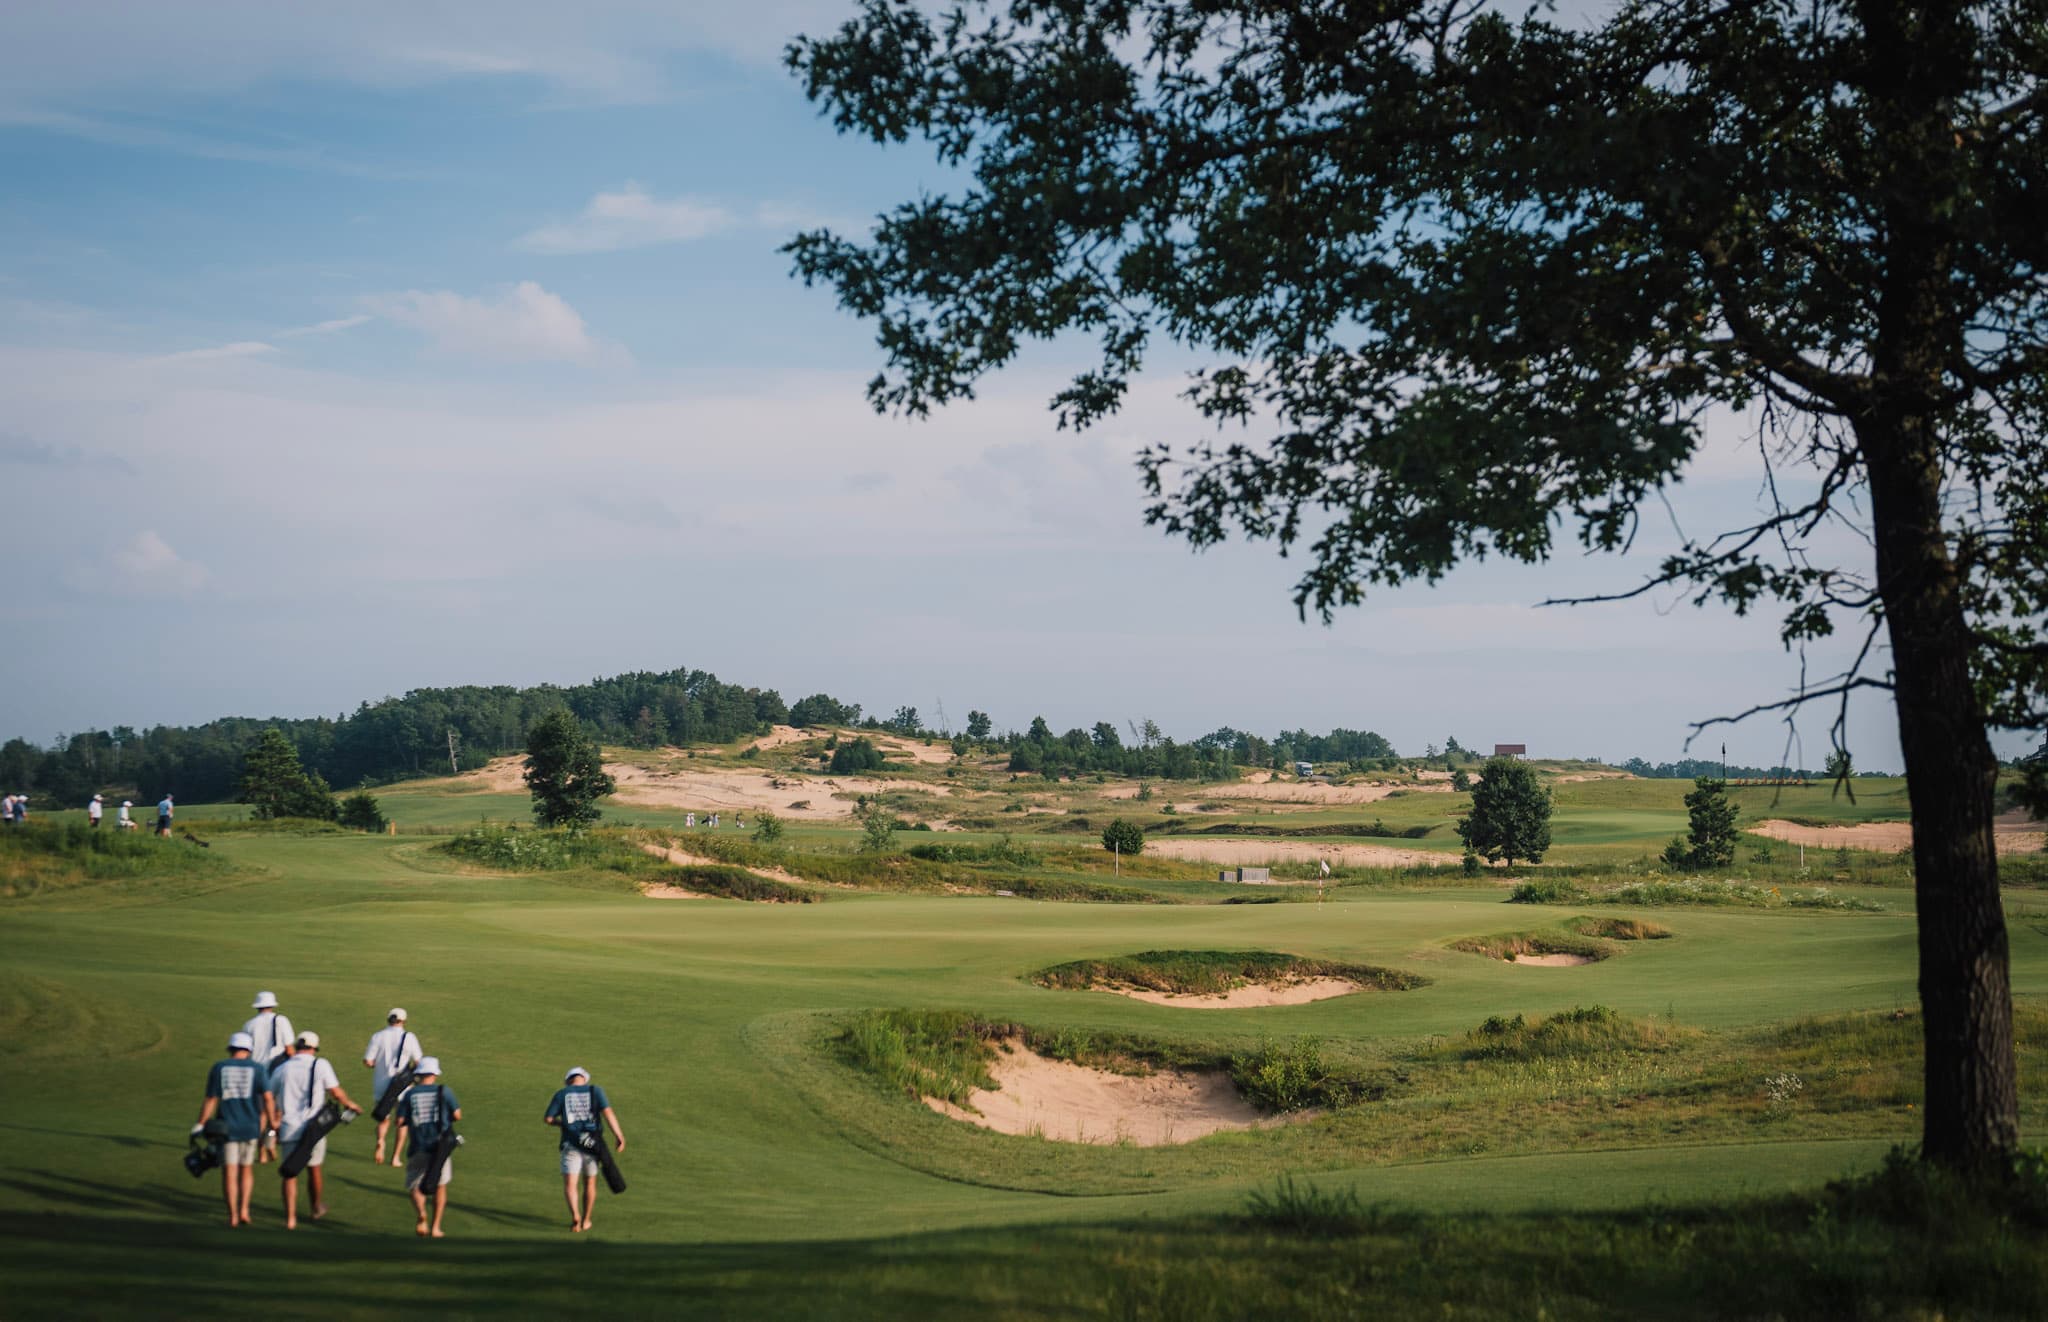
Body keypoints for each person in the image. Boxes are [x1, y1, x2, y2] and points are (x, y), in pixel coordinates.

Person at [268, 1031, 362, 1228]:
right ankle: (316, 1207)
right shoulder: (321, 1065)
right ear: (314, 1048)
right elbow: (335, 1092)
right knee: (314, 1168)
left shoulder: (282, 1068)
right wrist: (350, 1104)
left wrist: (272, 1123)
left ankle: (290, 1218)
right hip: (313, 1128)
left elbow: (269, 1095)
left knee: (289, 1172)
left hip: (288, 1127)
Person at [194, 1031, 276, 1227]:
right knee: (246, 1170)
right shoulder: (257, 1069)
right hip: (251, 1127)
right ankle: (244, 1210)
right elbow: (267, 1098)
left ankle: (232, 1216)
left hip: (226, 1128)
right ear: (248, 1050)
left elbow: (211, 1099)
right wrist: (273, 1122)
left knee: (229, 1172)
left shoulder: (219, 1067)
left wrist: (201, 1123)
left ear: (231, 1049)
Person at [542, 1067, 625, 1233]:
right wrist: (619, 1135)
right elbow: (608, 1113)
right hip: (592, 1146)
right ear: (584, 1079)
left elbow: (548, 1118)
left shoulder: (561, 1094)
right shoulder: (596, 1091)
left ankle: (575, 1216)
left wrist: (563, 1125)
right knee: (590, 1183)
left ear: (568, 1080)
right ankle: (586, 1220)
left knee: (570, 1184)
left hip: (570, 1144)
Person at [395, 1057, 460, 1238]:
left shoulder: (410, 1094)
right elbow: (457, 1114)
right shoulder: (444, 1091)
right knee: (440, 1185)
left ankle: (421, 1214)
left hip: (418, 1146)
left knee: (415, 1185)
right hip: (440, 1148)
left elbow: (399, 1121)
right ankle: (436, 1227)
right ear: (434, 1074)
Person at [363, 1008, 423, 1165]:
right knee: (402, 1122)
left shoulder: (378, 1036)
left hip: (381, 1083)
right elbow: (418, 1061)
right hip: (402, 1085)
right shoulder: (409, 1037)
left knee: (383, 1118)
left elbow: (368, 1061)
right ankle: (395, 1157)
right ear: (403, 1021)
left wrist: (378, 1064)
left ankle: (381, 1140)